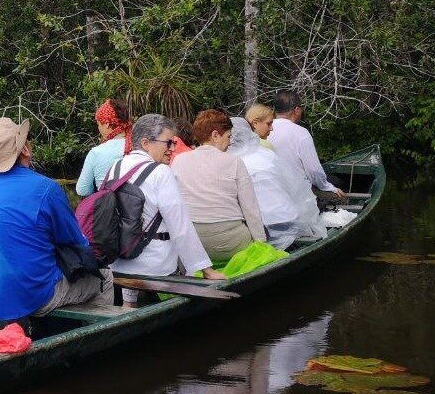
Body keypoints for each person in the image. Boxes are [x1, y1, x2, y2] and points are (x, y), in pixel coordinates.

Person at [0, 117, 113, 321]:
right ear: (25, 149)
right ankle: (94, 337)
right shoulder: (46, 189)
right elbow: (76, 241)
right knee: (105, 278)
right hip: (37, 298)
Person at [104, 113, 226, 307]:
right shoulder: (161, 172)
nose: (172, 148)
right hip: (154, 267)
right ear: (145, 143)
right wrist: (206, 270)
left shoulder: (116, 167)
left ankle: (129, 303)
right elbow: (180, 226)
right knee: (161, 245)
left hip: (117, 263)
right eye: (168, 143)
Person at [170, 109, 267, 263]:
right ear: (215, 135)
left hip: (195, 245)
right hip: (232, 243)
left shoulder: (178, 161)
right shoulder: (234, 162)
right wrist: (262, 245)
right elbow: (251, 210)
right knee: (262, 239)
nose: (229, 143)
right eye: (228, 136)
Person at [227, 118, 326, 250]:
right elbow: (296, 188)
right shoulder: (267, 154)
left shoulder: (228, 163)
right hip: (288, 219)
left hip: (260, 226)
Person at [268, 90, 345, 198]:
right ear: (297, 110)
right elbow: (314, 171)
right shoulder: (301, 133)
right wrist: (328, 187)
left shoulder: (263, 130)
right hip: (296, 191)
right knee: (338, 188)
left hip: (271, 188)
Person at [76, 100, 132, 197]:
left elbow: (82, 190)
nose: (98, 128)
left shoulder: (96, 153)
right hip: (138, 208)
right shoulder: (141, 146)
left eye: (98, 124)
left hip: (108, 208)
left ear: (106, 124)